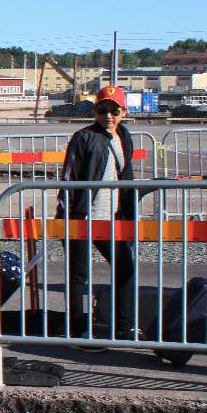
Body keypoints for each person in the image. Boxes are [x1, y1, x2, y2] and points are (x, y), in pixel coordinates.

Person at [59, 85, 137, 343]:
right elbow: (68, 177)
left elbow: (126, 177)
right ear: (96, 111)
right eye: (103, 110)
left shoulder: (124, 137)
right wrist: (67, 217)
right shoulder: (83, 137)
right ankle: (78, 328)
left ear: (124, 111)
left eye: (114, 110)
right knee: (79, 275)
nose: (109, 116)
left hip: (110, 219)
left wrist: (128, 214)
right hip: (82, 217)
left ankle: (123, 327)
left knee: (126, 267)